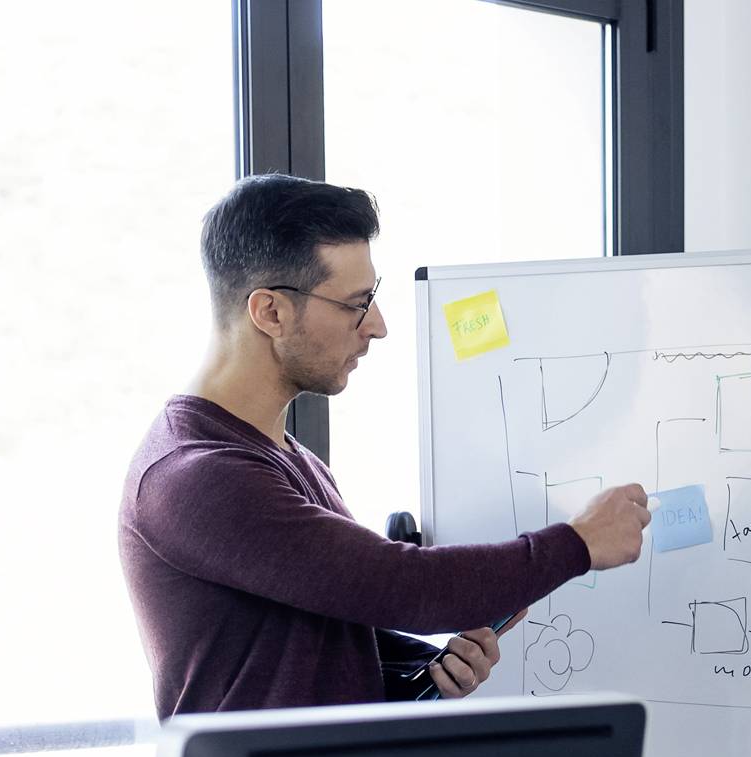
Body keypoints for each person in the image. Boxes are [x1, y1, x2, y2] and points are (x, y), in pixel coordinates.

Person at [120, 173, 648, 719]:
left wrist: (415, 673)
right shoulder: (197, 477)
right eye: (356, 303)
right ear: (270, 312)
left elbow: (305, 643)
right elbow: (406, 587)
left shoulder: (285, 456)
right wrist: (579, 543)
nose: (377, 325)